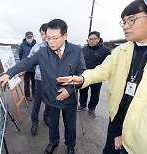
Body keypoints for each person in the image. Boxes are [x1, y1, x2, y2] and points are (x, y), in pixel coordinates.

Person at [57, 0, 147, 153]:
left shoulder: (105, 49)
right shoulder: (121, 50)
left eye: (132, 19)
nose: (125, 26)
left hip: (140, 136)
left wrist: (127, 137)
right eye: (123, 22)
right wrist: (83, 78)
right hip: (117, 120)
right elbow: (102, 70)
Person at [0, 19, 86, 154]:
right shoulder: (43, 52)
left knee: (70, 126)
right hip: (51, 97)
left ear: (65, 36)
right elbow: (26, 62)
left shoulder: (76, 50)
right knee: (52, 125)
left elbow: (82, 73)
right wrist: (8, 74)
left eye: (55, 38)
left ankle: (70, 146)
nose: (51, 42)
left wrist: (70, 90)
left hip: (70, 98)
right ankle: (53, 143)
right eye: (48, 38)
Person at [77, 31, 110, 118]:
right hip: (85, 75)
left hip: (97, 77)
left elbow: (107, 65)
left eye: (93, 39)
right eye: (89, 39)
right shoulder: (83, 49)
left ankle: (92, 108)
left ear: (98, 39)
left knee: (95, 93)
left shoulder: (105, 51)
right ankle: (82, 105)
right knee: (83, 91)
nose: (91, 41)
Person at [28, 23, 50, 136]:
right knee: (37, 101)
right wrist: (21, 69)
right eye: (41, 33)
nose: (43, 36)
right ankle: (34, 122)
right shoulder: (36, 47)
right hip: (39, 79)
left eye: (45, 33)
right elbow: (28, 60)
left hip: (51, 81)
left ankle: (46, 117)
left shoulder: (55, 47)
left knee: (49, 102)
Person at [18, 31, 36, 101]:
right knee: (26, 83)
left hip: (34, 67)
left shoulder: (36, 45)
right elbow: (20, 55)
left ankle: (34, 94)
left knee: (34, 82)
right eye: (28, 37)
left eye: (30, 37)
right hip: (25, 68)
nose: (29, 38)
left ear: (33, 37)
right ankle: (27, 95)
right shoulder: (22, 45)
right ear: (25, 37)